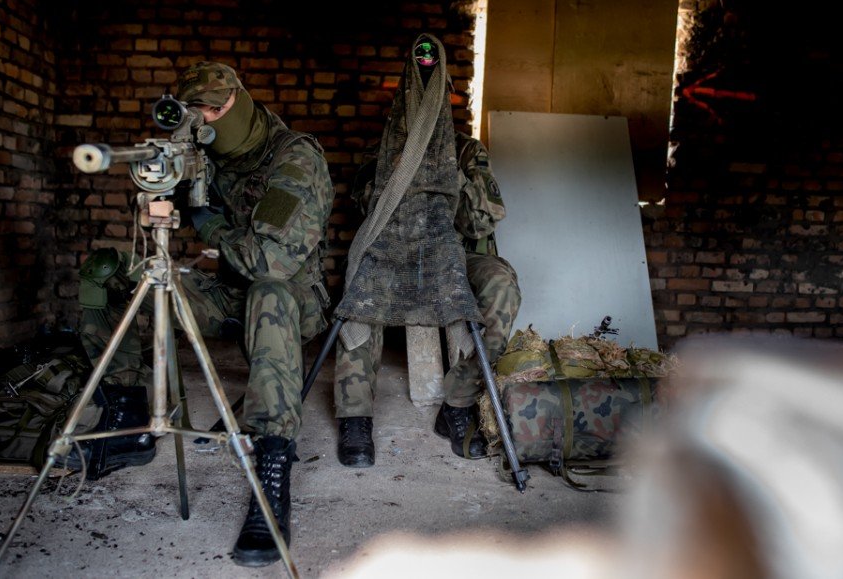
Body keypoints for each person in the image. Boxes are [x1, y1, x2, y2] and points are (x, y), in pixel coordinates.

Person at [76, 61, 334, 568]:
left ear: (242, 99)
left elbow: (272, 262)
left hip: (292, 300)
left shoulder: (294, 156)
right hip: (227, 292)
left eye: (216, 109)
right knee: (107, 273)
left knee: (271, 292)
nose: (208, 120)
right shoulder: (200, 153)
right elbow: (163, 226)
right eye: (196, 113)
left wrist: (209, 226)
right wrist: (159, 197)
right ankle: (129, 419)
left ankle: (272, 470)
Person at [333, 35, 521, 467]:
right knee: (360, 287)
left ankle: (458, 406)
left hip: (454, 253)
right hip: (394, 253)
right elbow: (365, 212)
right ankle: (355, 416)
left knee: (501, 286)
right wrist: (400, 172)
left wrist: (448, 177)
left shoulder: (468, 150)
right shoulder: (381, 155)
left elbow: (482, 221)